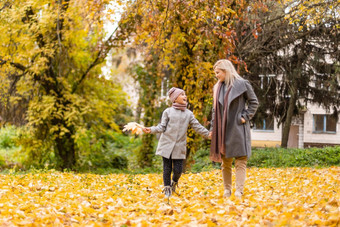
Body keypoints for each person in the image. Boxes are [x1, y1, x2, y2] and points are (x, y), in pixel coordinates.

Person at [143, 87, 210, 200]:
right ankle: (167, 189)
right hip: (166, 145)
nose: (185, 96)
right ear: (174, 99)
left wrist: (208, 134)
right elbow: (162, 127)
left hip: (179, 146)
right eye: (182, 94)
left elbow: (197, 126)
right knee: (167, 168)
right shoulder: (167, 112)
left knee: (178, 170)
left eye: (185, 94)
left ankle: (174, 183)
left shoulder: (188, 114)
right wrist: (151, 129)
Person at [210, 59, 258, 198]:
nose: (216, 75)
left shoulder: (242, 84)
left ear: (226, 71)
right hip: (222, 128)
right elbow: (215, 110)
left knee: (240, 160)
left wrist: (244, 117)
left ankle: (239, 191)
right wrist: (213, 128)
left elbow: (254, 102)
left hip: (237, 127)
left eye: (218, 72)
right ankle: (227, 190)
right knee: (225, 161)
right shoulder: (217, 87)